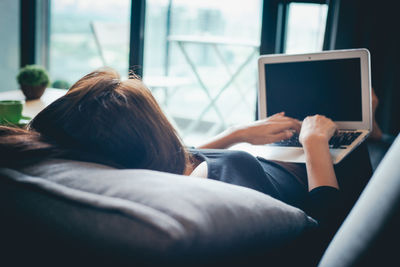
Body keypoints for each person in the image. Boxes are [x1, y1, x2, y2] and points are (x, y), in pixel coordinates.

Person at [0, 67, 372, 232]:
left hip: (270, 166)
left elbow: (177, 159)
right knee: (363, 116)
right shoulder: (220, 191)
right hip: (320, 177)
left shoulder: (152, 166)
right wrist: (314, 143)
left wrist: (234, 134)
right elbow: (327, 221)